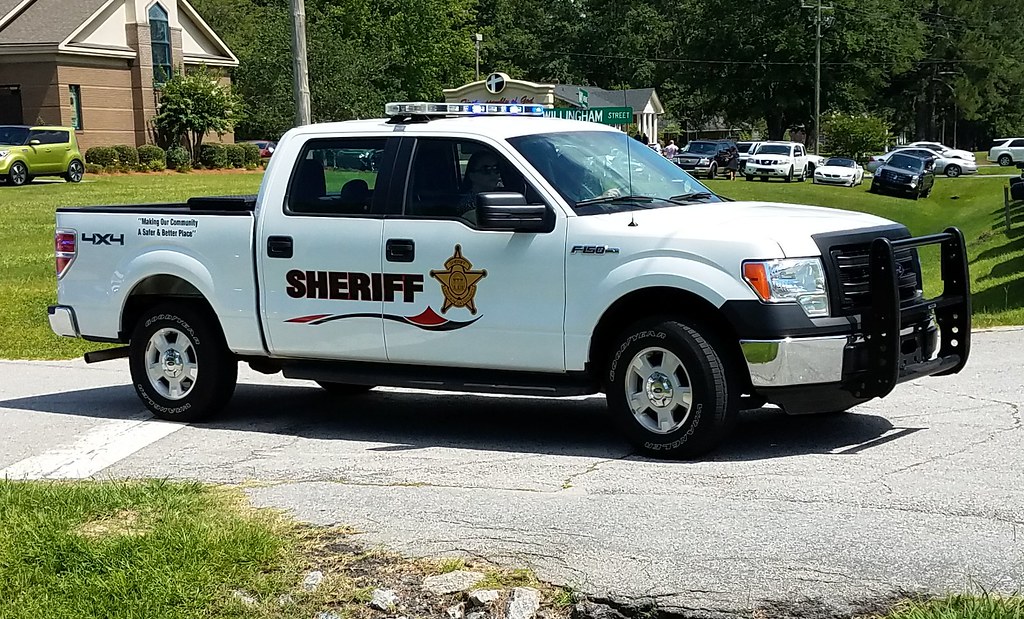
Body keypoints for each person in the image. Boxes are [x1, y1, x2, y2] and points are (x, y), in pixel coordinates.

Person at [458, 150, 504, 215]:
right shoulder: (470, 204)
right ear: (472, 176)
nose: (493, 174)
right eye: (486, 170)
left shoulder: (499, 196)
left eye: (496, 168)